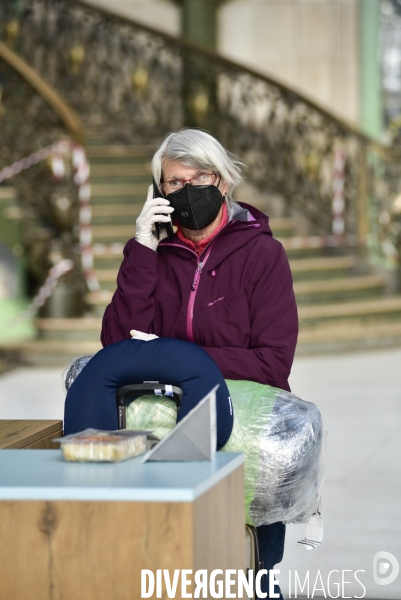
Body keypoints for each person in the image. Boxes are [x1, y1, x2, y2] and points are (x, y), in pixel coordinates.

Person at [100, 128, 298, 598]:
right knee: (167, 568)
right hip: (162, 437)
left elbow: (272, 363)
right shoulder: (154, 257)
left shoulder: (263, 255)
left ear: (224, 182)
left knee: (251, 576)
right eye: (173, 182)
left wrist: (172, 358)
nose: (187, 190)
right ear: (158, 191)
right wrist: (143, 248)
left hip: (243, 437)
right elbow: (115, 345)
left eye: (200, 177)